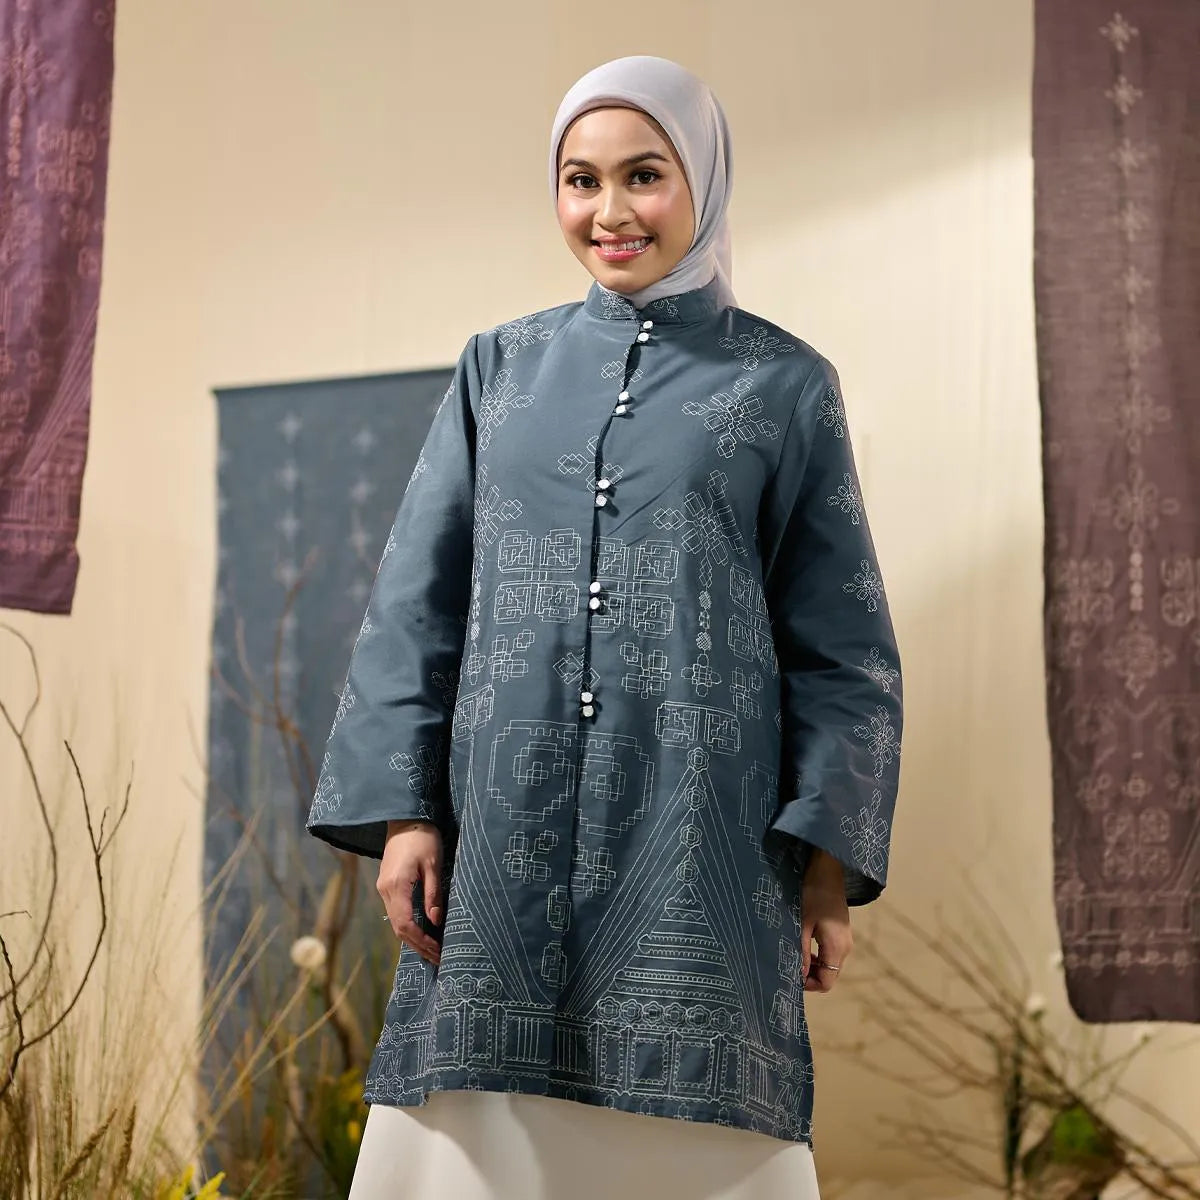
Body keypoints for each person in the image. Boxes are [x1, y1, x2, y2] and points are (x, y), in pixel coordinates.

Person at [308, 55, 902, 1200]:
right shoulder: (499, 368)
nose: (610, 211)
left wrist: (828, 867)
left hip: (702, 839)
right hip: (498, 837)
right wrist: (406, 814)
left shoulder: (785, 386)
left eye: (645, 175)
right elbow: (417, 603)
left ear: (703, 182)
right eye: (581, 181)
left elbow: (843, 649)